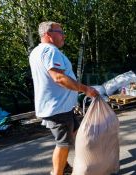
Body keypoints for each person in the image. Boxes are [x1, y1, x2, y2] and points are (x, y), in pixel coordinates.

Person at [29, 21, 99, 175]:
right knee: (63, 143)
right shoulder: (50, 51)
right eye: (60, 32)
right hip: (57, 108)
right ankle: (58, 172)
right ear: (48, 34)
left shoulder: (36, 51)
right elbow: (59, 78)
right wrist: (86, 89)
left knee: (77, 133)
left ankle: (65, 166)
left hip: (58, 107)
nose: (63, 35)